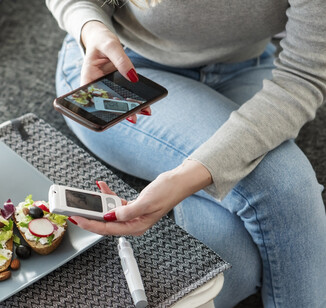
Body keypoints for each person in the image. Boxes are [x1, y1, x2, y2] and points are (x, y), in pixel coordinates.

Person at [46, 1, 326, 307]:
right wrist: (92, 29)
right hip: (121, 68)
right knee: (286, 185)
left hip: (249, 66)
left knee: (235, 261)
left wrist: (184, 180)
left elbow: (302, 76)